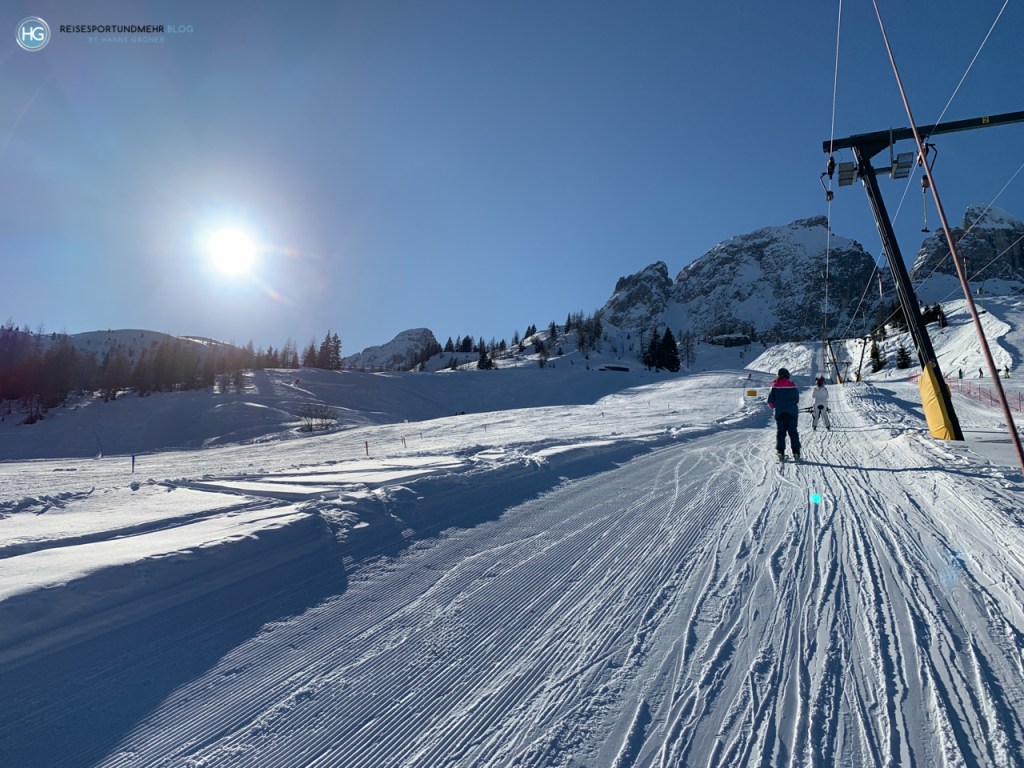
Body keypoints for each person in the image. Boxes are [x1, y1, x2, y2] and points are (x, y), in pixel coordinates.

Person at [767, 367, 801, 461]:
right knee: (793, 432)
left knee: (781, 432)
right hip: (792, 413)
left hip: (780, 413)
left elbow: (770, 402)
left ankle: (780, 452)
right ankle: (796, 452)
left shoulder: (774, 387)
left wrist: (776, 407)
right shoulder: (793, 386)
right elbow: (796, 400)